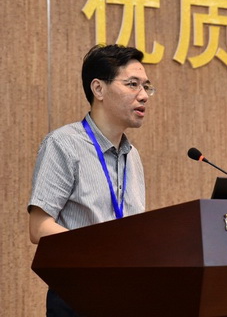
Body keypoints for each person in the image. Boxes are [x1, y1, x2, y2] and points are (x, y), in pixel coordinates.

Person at [28, 44, 154, 316]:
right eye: (132, 84)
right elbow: (39, 227)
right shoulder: (64, 144)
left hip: (125, 294)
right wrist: (101, 248)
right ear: (98, 89)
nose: (143, 95)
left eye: (146, 86)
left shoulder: (132, 155)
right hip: (78, 295)